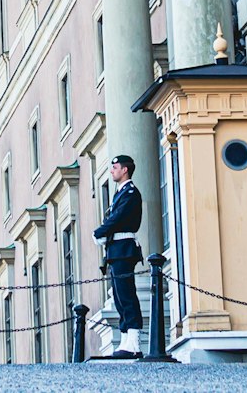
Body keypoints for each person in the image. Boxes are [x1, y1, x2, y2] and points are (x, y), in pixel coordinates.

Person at [93, 154, 144, 359]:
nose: (112, 170)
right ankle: (126, 340)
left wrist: (99, 231)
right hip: (116, 249)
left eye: (115, 167)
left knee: (126, 295)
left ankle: (133, 342)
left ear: (125, 170)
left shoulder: (130, 193)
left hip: (124, 248)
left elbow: (117, 217)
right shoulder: (120, 193)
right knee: (119, 297)